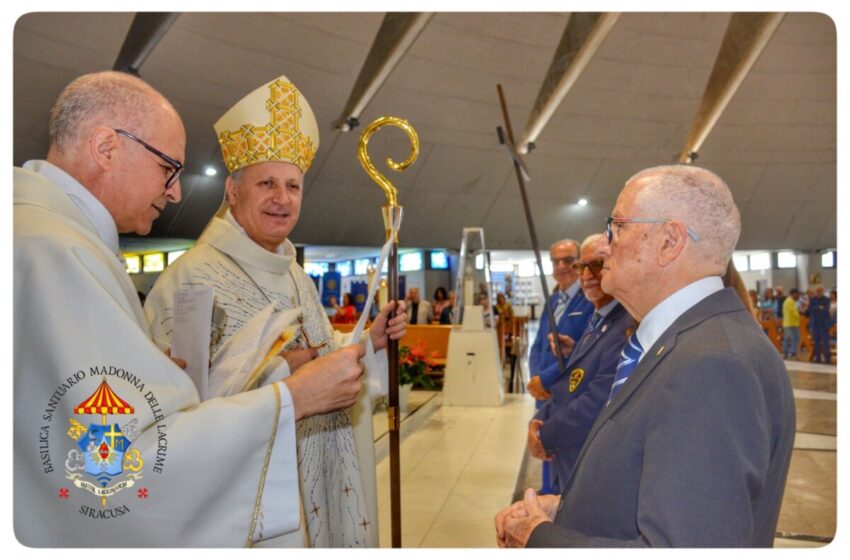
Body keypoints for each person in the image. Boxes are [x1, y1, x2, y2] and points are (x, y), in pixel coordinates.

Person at [14, 71, 368, 547]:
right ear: (106, 148)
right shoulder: (56, 254)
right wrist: (293, 396)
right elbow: (120, 467)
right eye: (168, 167)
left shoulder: (44, 236)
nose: (176, 192)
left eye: (293, 186)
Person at [144, 75, 405, 547]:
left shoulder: (296, 275)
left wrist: (371, 341)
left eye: (293, 186)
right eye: (266, 183)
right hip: (251, 501)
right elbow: (178, 413)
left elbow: (324, 353)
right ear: (232, 191)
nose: (282, 199)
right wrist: (283, 370)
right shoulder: (191, 280)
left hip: (321, 474)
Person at [497, 165, 795, 548]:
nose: (608, 244)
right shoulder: (683, 343)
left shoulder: (712, 365)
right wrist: (568, 513)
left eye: (617, 226)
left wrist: (541, 539)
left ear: (670, 241)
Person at [528, 233, 633, 488]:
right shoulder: (598, 319)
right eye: (582, 267)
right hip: (560, 428)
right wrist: (539, 417)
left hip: (583, 455)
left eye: (596, 265)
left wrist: (544, 434)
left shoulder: (625, 325)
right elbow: (575, 376)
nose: (586, 275)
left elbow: (596, 399)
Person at [527, 238, 594, 493]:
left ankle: (561, 499)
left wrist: (546, 379)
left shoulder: (589, 300)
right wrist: (536, 378)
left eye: (568, 260)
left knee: (564, 454)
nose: (561, 266)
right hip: (544, 395)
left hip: (567, 391)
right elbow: (537, 345)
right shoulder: (553, 300)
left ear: (579, 263)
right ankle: (547, 492)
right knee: (544, 445)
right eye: (556, 261)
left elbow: (583, 351)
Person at [807, 285, 831, 363]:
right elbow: (810, 309)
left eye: (820, 291)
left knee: (825, 342)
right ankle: (818, 358)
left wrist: (816, 308)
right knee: (816, 342)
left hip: (824, 324)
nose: (818, 292)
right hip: (815, 323)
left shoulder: (826, 299)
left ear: (822, 291)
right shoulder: (812, 299)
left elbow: (825, 310)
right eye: (817, 291)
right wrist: (819, 307)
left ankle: (827, 359)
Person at [782, 289, 802, 359]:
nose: (798, 296)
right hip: (792, 323)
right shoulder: (791, 301)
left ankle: (786, 353)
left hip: (786, 323)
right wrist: (799, 317)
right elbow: (794, 312)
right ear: (794, 294)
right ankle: (792, 353)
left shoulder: (786, 301)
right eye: (798, 294)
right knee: (795, 339)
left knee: (787, 339)